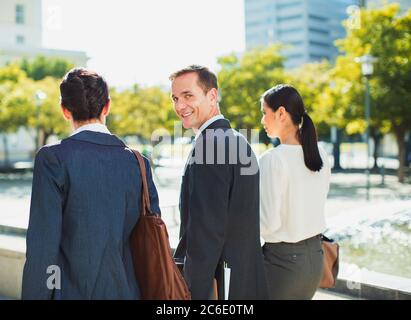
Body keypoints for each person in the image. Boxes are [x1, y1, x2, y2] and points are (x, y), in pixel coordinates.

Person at [22, 68, 160, 300]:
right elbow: (151, 237)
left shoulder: (53, 159)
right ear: (107, 106)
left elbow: (43, 248)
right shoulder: (138, 162)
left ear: (64, 110)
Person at [171, 65, 268, 300]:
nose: (179, 106)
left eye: (188, 96)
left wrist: (191, 291)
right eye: (175, 98)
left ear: (212, 96)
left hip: (220, 286)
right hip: (245, 280)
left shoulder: (209, 146)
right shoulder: (237, 140)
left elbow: (206, 234)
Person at [259, 84, 331, 300]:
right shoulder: (322, 155)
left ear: (281, 113)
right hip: (315, 260)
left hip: (282, 264)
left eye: (264, 113)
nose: (262, 120)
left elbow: (268, 223)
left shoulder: (273, 159)